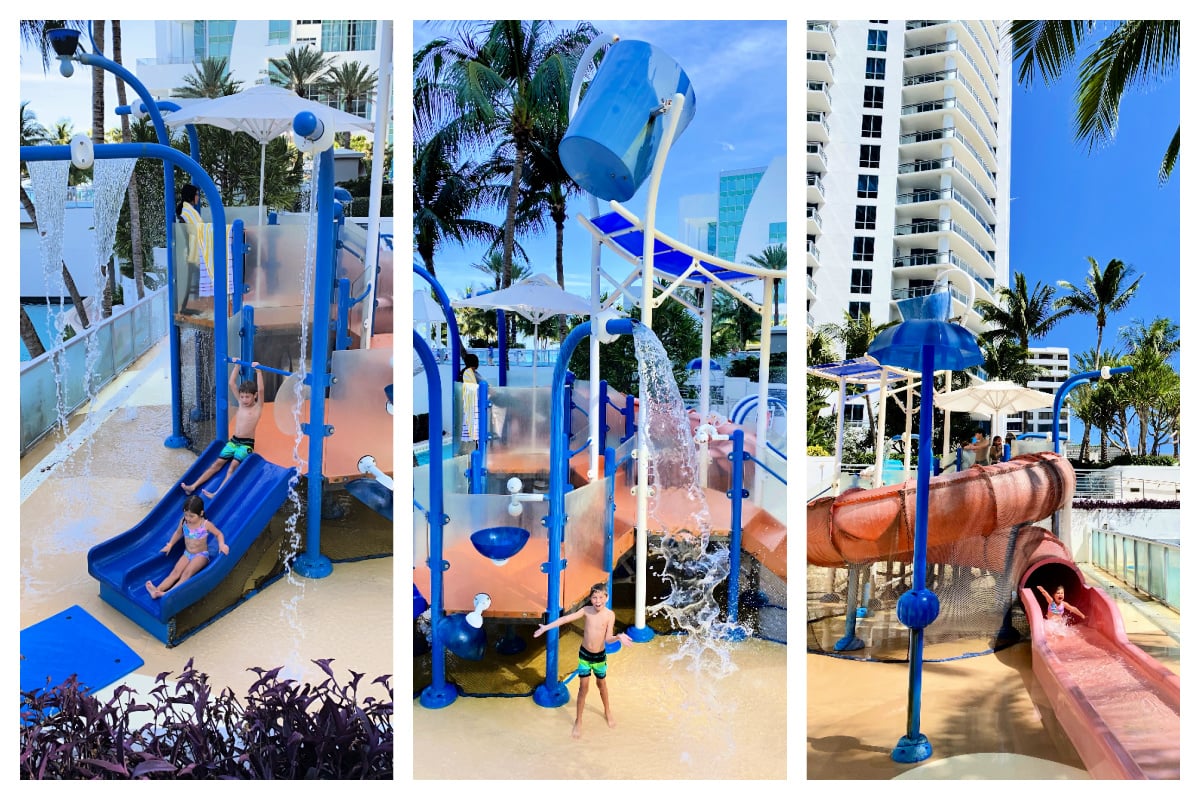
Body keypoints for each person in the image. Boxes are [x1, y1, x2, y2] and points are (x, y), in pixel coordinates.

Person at [534, 582, 633, 738]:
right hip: (585, 655)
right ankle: (578, 720)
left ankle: (607, 710)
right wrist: (546, 627)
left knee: (602, 685)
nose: (597, 600)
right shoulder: (586, 611)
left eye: (601, 597)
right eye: (594, 597)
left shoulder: (609, 615)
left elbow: (608, 639)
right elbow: (565, 619)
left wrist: (618, 637)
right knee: (583, 688)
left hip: (599, 656)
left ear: (606, 598)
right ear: (590, 599)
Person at [181, 362, 264, 497]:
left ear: (254, 396)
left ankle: (217, 493)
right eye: (242, 396)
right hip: (233, 441)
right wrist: (237, 366)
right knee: (216, 464)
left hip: (246, 444)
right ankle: (193, 486)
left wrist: (259, 372)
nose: (243, 399)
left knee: (232, 467)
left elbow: (261, 390)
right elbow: (232, 383)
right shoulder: (241, 404)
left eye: (247, 397)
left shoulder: (257, 408)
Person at [146, 496, 229, 599]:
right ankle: (157, 590)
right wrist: (170, 544)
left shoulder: (205, 524)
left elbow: (219, 534)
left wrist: (221, 544)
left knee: (186, 573)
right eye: (186, 515)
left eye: (192, 516)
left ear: (201, 513)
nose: (188, 518)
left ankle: (168, 593)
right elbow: (178, 533)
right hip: (187, 553)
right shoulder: (184, 521)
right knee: (175, 572)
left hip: (201, 555)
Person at [459, 352, 481, 454]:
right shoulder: (469, 373)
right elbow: (475, 387)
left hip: (465, 407)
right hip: (472, 407)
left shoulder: (464, 372)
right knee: (474, 434)